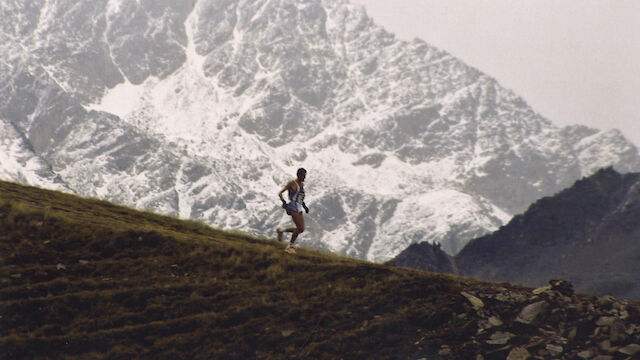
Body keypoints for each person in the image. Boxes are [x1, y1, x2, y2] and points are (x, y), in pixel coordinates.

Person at [277, 168, 309, 254]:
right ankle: (290, 247)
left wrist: (305, 206)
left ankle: (281, 230)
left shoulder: (302, 185)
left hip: (299, 207)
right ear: (299, 175)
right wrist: (284, 203)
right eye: (303, 176)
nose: (304, 178)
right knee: (299, 227)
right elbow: (280, 193)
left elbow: (300, 197)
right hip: (293, 206)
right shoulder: (292, 184)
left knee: (301, 229)